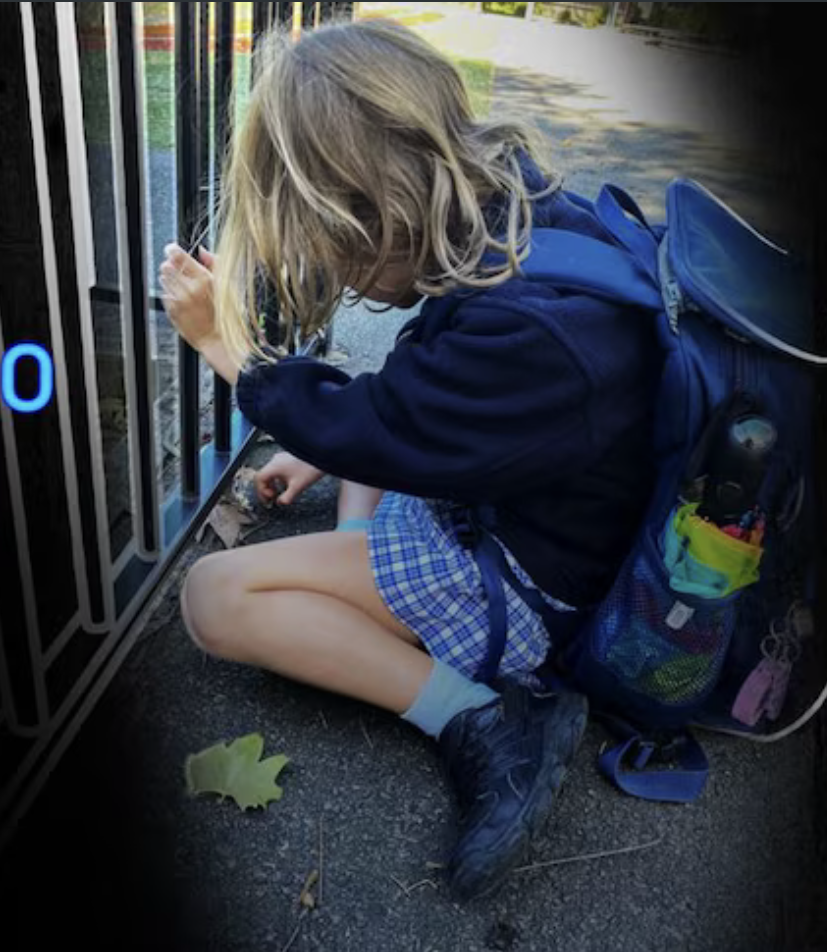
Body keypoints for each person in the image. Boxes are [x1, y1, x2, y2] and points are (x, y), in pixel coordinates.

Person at [157, 17, 660, 900]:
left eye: (332, 247)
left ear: (364, 205)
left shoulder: (525, 333)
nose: (339, 275)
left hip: (533, 579)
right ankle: (361, 552)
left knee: (213, 599)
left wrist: (225, 350)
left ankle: (484, 717)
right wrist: (324, 456)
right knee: (368, 419)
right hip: (534, 501)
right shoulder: (517, 212)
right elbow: (415, 403)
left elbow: (399, 419)